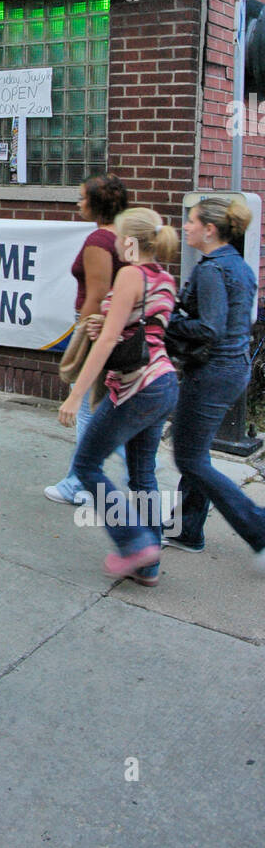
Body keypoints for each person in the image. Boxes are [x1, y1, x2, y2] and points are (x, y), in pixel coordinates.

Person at [59, 208, 179, 584]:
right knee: (142, 473)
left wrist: (76, 395)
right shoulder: (164, 277)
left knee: (86, 466)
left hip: (135, 386)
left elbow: (111, 338)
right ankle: (149, 563)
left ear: (129, 241)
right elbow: (141, 326)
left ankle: (133, 541)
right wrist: (104, 322)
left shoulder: (129, 274)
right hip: (163, 383)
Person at [162, 195, 265, 568]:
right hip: (233, 369)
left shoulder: (211, 270)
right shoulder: (236, 265)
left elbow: (208, 327)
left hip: (212, 373)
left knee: (188, 457)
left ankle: (257, 526)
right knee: (197, 452)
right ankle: (188, 529)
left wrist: (164, 322)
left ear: (209, 229)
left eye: (191, 221)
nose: (185, 227)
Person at [45, 172, 129, 504]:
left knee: (86, 410)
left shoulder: (98, 242)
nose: (78, 203)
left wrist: (84, 336)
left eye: (83, 198)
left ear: (97, 203)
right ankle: (133, 468)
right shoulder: (122, 236)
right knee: (104, 409)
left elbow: (97, 295)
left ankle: (78, 484)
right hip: (116, 328)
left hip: (95, 327)